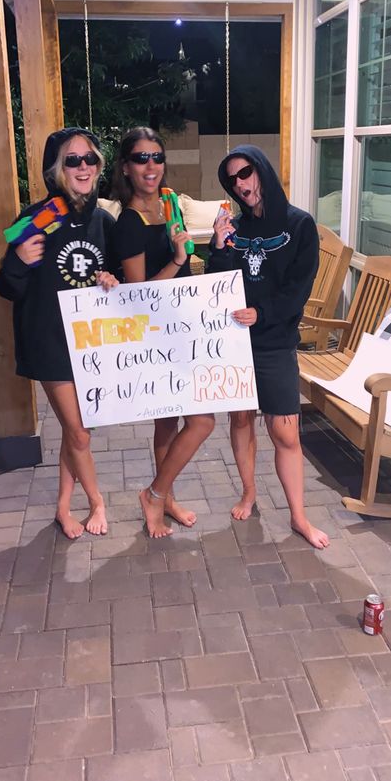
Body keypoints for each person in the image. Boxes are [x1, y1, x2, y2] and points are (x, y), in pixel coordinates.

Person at [0, 127, 119, 540]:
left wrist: (110, 277)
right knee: (80, 430)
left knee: (76, 429)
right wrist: (18, 259)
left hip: (91, 343)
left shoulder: (103, 219)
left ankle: (63, 508)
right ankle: (97, 501)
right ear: (56, 169)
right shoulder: (39, 217)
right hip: (50, 341)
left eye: (90, 159)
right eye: (72, 160)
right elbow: (7, 286)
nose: (83, 167)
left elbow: (116, 270)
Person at [208, 145, 329, 550]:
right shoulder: (236, 228)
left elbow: (299, 289)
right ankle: (248, 492)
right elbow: (217, 285)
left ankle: (298, 517)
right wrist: (220, 246)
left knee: (286, 433)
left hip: (275, 342)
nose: (241, 184)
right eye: (232, 180)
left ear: (262, 170)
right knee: (240, 420)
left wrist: (262, 313)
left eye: (246, 173)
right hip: (234, 342)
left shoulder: (300, 225)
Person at [112, 127, 215, 539]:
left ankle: (165, 496)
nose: (150, 165)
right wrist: (177, 259)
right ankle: (154, 495)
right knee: (202, 421)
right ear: (126, 167)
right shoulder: (129, 223)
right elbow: (139, 295)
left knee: (168, 423)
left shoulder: (168, 207)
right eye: (141, 158)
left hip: (180, 327)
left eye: (157, 156)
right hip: (153, 335)